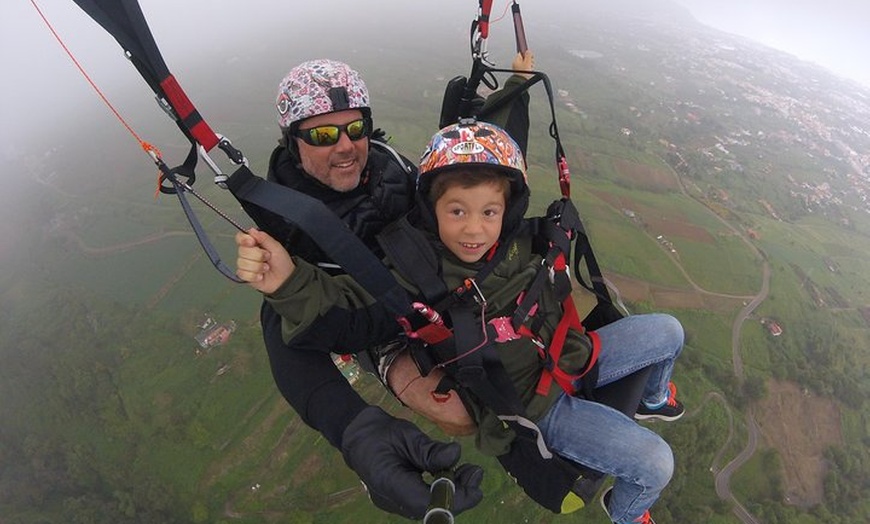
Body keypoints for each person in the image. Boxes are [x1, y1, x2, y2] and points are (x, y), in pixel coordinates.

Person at [236, 120, 686, 524]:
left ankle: (651, 396)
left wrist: (513, 84)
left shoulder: (514, 240)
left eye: (488, 212)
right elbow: (351, 309)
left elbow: (493, 151)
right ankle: (626, 514)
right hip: (538, 407)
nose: (473, 229)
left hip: (572, 352)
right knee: (655, 465)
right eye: (457, 212)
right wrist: (287, 281)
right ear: (433, 211)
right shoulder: (419, 271)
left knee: (670, 330)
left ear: (506, 211)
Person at [251, 53, 536, 520]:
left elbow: (464, 180)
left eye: (355, 128)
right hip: (374, 322)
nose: (345, 147)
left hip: (434, 281)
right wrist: (352, 429)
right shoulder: (287, 220)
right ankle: (518, 442)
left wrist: (515, 92)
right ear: (293, 141)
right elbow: (282, 324)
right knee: (461, 413)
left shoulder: (390, 167)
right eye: (323, 135)